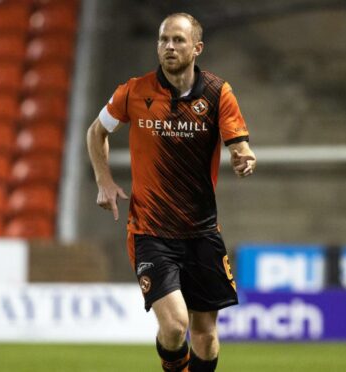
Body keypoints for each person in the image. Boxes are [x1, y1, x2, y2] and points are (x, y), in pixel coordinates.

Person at [86, 12, 256, 372]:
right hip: (151, 231)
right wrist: (104, 179)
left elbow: (238, 144)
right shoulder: (134, 91)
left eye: (178, 40)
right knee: (176, 325)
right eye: (163, 39)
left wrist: (243, 157)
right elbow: (96, 132)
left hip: (202, 232)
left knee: (206, 336)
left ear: (197, 48)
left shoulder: (216, 93)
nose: (169, 47)